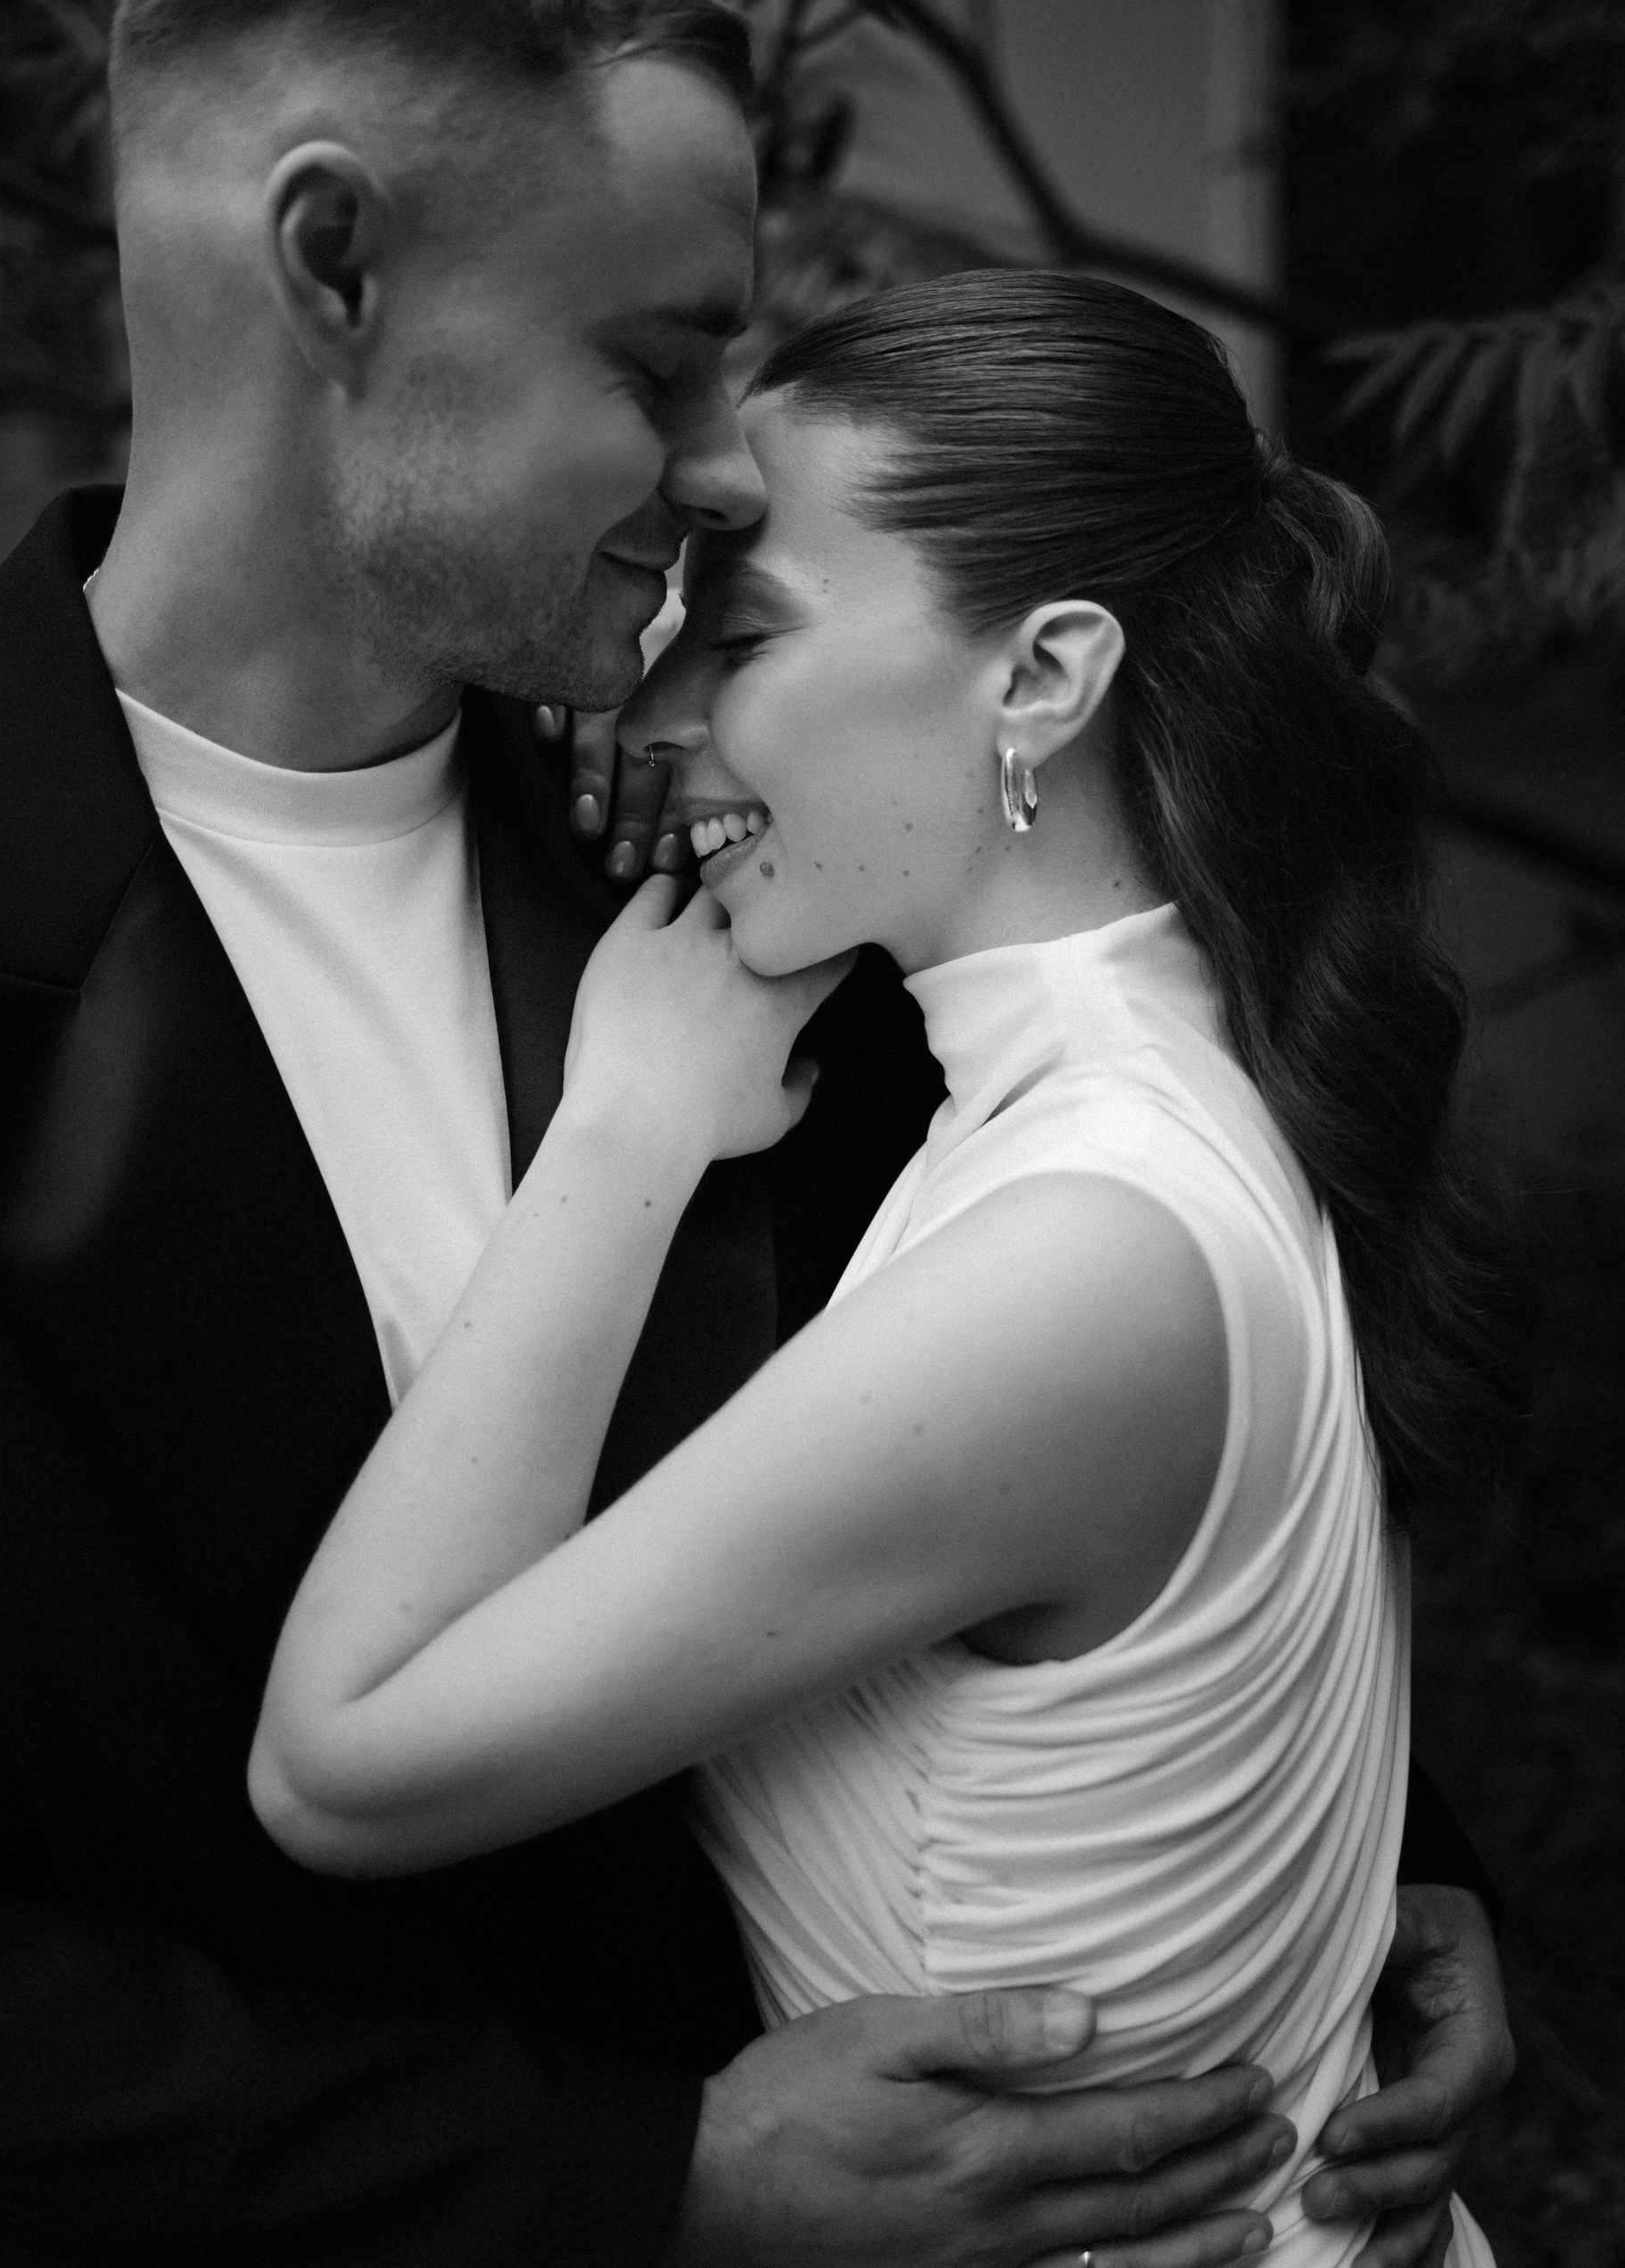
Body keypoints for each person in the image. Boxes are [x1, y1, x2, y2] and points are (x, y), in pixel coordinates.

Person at [0, 0, 1507, 2268]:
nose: (712, 468)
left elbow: (1098, 1387)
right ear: (333, 264)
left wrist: (1352, 1850)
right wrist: (642, 2180)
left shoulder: (780, 859)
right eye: (654, 363)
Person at [250, 269, 1527, 2265]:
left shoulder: (1086, 1251)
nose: (651, 714)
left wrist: (620, 1136)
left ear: (1045, 677)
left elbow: (344, 1765)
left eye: (746, 633)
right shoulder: (1186, 1089)